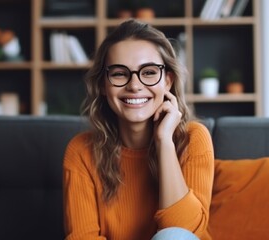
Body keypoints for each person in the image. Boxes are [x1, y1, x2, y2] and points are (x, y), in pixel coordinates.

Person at [63, 19, 214, 240]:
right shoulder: (81, 151)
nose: (134, 85)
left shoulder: (193, 139)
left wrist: (164, 142)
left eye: (149, 72)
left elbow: (184, 233)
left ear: (167, 81)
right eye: (119, 73)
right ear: (103, 85)